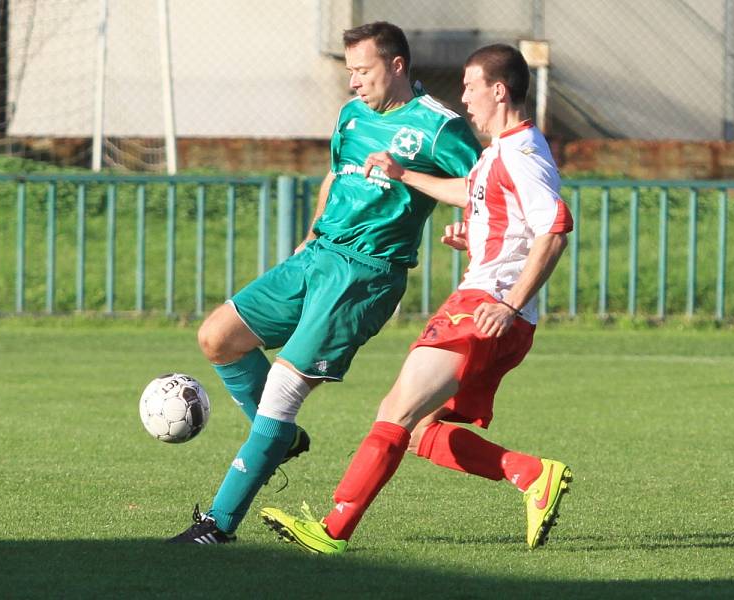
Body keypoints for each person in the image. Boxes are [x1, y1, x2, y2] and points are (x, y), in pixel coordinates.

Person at [168, 22, 482, 544]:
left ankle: (216, 527)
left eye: (363, 70)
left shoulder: (438, 127)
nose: (353, 82)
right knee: (217, 338)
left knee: (282, 390)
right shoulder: (352, 115)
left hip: (367, 272)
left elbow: (481, 187)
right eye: (349, 71)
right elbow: (337, 174)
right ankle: (279, 440)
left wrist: (460, 221)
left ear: (397, 65)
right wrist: (311, 233)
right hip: (319, 254)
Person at [259, 43, 574, 553]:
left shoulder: (522, 155)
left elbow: (554, 230)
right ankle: (531, 474)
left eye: (471, 87)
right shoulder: (502, 149)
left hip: (485, 307)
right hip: (497, 312)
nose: (464, 98)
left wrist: (507, 303)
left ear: (499, 90)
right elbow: (470, 194)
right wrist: (407, 178)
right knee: (423, 429)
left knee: (396, 410)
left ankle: (331, 530)